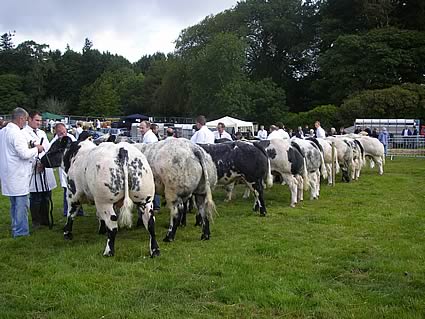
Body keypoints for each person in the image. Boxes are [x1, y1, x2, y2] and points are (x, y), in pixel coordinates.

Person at [0, 107, 44, 237]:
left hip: (8, 172)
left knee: (14, 205)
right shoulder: (17, 134)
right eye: (25, 120)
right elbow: (24, 154)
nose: (25, 122)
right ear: (20, 119)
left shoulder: (3, 132)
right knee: (21, 205)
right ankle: (21, 231)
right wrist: (37, 149)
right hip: (18, 173)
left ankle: (16, 227)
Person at [23, 111, 57, 228]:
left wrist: (45, 163)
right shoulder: (24, 133)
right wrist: (37, 163)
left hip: (45, 167)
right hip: (33, 167)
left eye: (40, 121)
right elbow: (25, 151)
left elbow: (47, 149)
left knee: (46, 195)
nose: (39, 123)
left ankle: (45, 220)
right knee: (36, 197)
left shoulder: (42, 133)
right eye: (37, 120)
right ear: (29, 119)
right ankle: (36, 222)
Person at [51, 123, 84, 217]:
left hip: (74, 168)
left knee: (78, 190)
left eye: (64, 131)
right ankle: (67, 211)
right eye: (61, 132)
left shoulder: (71, 138)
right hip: (64, 169)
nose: (63, 134)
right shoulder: (55, 142)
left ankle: (80, 211)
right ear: (56, 133)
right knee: (67, 191)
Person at [139, 120, 160, 213]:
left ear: (148, 127)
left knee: (153, 184)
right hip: (150, 163)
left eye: (142, 128)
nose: (140, 130)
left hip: (151, 164)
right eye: (140, 127)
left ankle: (156, 206)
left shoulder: (150, 138)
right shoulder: (148, 136)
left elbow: (151, 152)